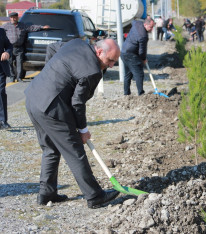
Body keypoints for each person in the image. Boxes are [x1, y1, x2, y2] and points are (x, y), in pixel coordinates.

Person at [25, 38, 121, 209]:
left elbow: (52, 48)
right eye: (110, 60)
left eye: (114, 61)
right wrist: (83, 130)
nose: (112, 65)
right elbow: (77, 103)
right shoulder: (92, 71)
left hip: (34, 97)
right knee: (75, 151)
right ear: (99, 52)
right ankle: (95, 196)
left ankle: (47, 193)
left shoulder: (78, 43)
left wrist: (50, 76)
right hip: (52, 109)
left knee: (51, 149)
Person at [1, 12, 49, 82]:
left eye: (15, 17)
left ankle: (19, 77)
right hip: (10, 48)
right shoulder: (6, 26)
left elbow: (32, 28)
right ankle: (12, 77)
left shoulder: (22, 25)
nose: (14, 19)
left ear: (17, 17)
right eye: (12, 17)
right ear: (10, 18)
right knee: (10, 63)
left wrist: (42, 27)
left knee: (19, 63)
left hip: (19, 48)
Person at [121, 18, 155, 96]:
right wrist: (143, 59)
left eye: (153, 27)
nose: (152, 29)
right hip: (130, 55)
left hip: (123, 52)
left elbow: (133, 21)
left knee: (128, 74)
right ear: (145, 24)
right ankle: (141, 93)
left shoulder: (137, 23)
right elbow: (142, 51)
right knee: (139, 73)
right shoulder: (143, 36)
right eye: (151, 27)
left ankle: (126, 94)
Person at [0, 28, 12, 129]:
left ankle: (3, 120)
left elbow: (9, 45)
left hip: (0, 67)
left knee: (1, 92)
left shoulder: (1, 31)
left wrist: (7, 52)